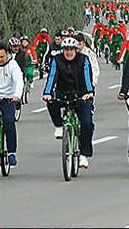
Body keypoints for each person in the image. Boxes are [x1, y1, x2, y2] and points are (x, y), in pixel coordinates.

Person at [42, 37, 96, 169]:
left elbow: (87, 76)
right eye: (66, 49)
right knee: (51, 101)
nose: (69, 52)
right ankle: (59, 125)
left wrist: (89, 92)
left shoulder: (83, 59)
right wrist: (47, 93)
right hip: (63, 92)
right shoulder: (57, 60)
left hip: (81, 94)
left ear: (76, 50)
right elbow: (52, 76)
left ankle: (83, 154)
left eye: (71, 49)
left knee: (86, 123)